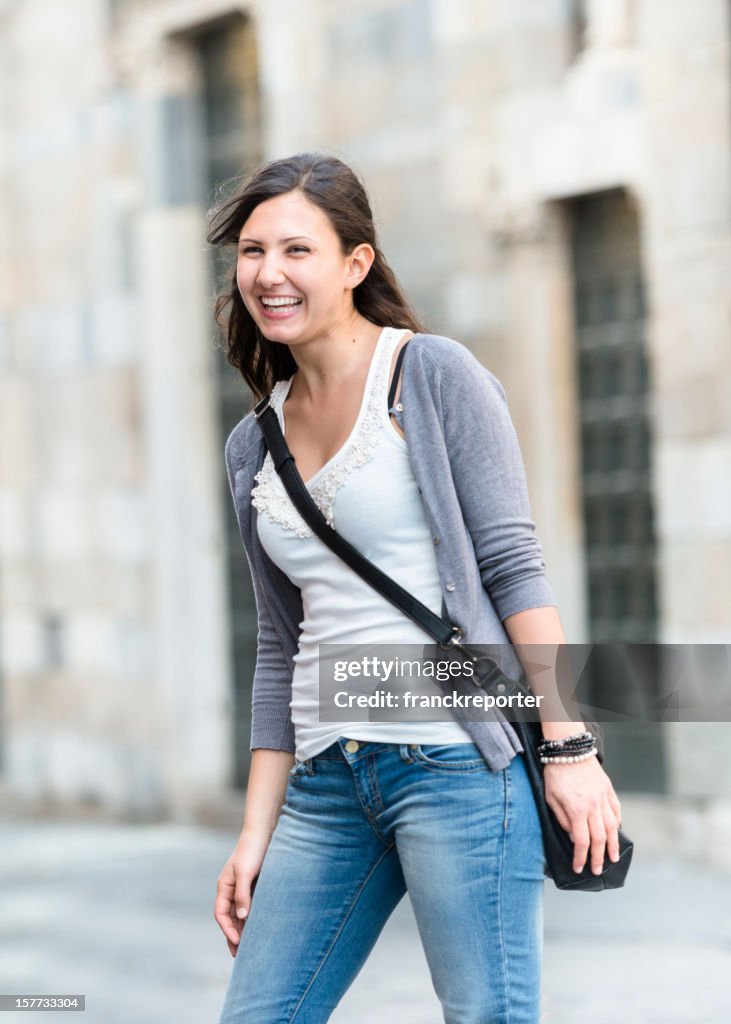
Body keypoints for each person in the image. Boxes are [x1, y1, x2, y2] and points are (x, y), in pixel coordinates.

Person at [207, 152, 622, 1024]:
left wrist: (568, 747)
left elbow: (513, 566)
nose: (267, 274)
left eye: (296, 250)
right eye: (251, 251)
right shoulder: (252, 445)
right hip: (327, 782)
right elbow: (280, 646)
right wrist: (255, 832)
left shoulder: (431, 376)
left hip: (456, 768)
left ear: (356, 264)